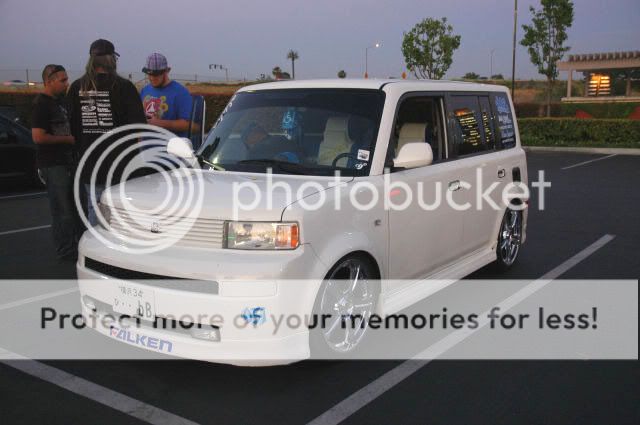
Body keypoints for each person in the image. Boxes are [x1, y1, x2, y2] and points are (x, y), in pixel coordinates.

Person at [68, 39, 146, 226]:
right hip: (121, 164)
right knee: (122, 213)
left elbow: (72, 127)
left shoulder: (77, 88)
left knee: (95, 209)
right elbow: (140, 128)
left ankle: (97, 250)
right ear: (113, 59)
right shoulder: (124, 87)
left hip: (90, 163)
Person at [31, 64, 78, 261]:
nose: (66, 83)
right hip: (53, 164)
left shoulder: (60, 102)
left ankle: (73, 244)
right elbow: (38, 137)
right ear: (49, 81)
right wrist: (68, 140)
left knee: (72, 207)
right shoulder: (41, 104)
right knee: (62, 210)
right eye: (62, 80)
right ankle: (65, 249)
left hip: (67, 162)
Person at [140, 53, 192, 137]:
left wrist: (159, 123)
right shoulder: (145, 90)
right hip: (146, 147)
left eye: (156, 74)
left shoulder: (180, 92)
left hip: (169, 147)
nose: (152, 78)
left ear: (166, 71)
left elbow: (192, 126)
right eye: (149, 74)